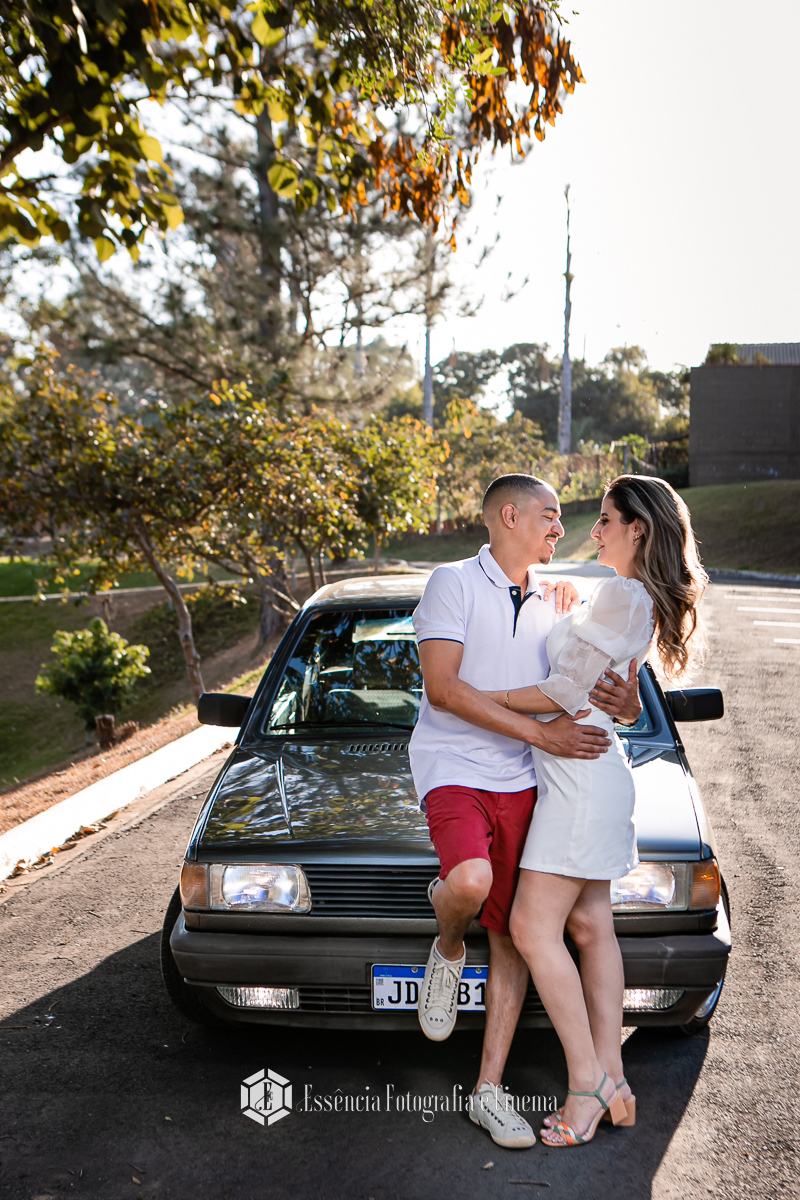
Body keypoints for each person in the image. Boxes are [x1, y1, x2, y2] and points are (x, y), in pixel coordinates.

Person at [409, 473, 643, 1149]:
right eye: (549, 515)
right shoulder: (450, 582)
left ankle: (488, 1089)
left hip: (529, 779)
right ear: (508, 516)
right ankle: (449, 942)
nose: (560, 528)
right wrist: (546, 733)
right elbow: (444, 691)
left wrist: (623, 705)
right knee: (471, 885)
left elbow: (594, 684)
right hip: (455, 766)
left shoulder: (560, 597)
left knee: (517, 932)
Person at [485, 475, 707, 1148]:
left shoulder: (623, 594)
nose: (594, 531)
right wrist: (561, 605)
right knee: (589, 925)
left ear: (637, 528)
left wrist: (469, 694)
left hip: (581, 779)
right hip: (590, 771)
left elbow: (562, 690)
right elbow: (602, 678)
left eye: (605, 519)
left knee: (529, 924)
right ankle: (615, 1080)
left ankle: (587, 1084)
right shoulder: (623, 597)